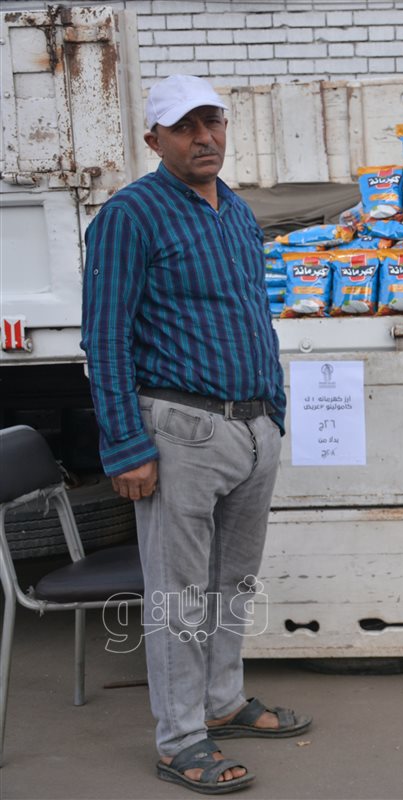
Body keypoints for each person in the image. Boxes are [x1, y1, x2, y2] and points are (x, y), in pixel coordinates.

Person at [81, 74, 310, 795]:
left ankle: (222, 700)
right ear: (155, 139)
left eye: (213, 121)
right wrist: (126, 446)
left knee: (233, 581)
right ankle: (180, 739)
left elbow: (251, 315)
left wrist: (273, 413)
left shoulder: (235, 209)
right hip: (179, 429)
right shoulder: (130, 217)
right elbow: (105, 339)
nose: (204, 137)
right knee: (179, 595)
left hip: (250, 426)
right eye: (185, 127)